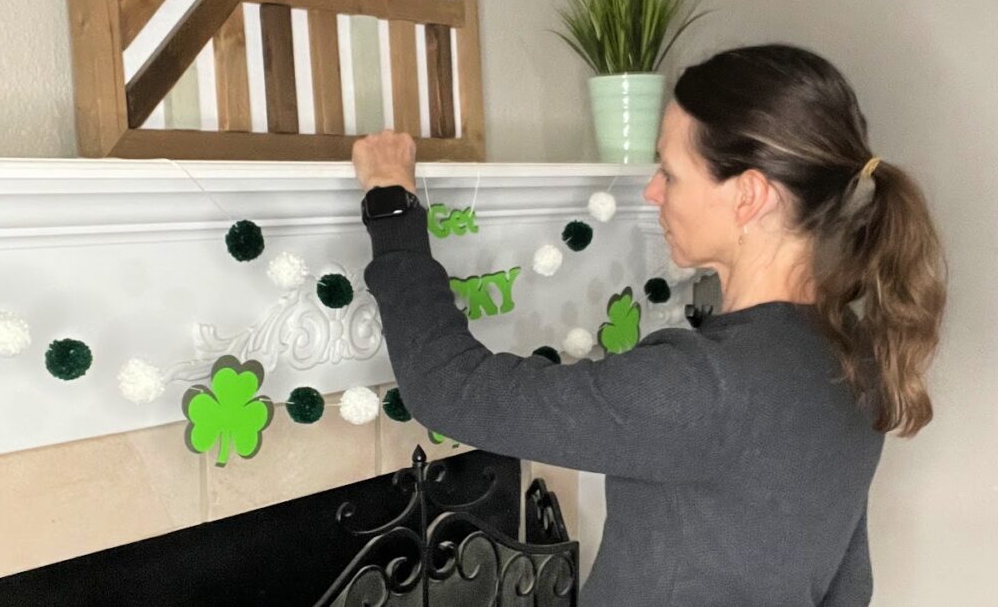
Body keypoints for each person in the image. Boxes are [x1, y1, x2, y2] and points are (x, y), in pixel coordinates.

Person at [351, 44, 946, 606]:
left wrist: (391, 206)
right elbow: (848, 583)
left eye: (670, 170)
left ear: (748, 197)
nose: (652, 190)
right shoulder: (857, 355)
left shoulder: (702, 384)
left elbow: (451, 390)